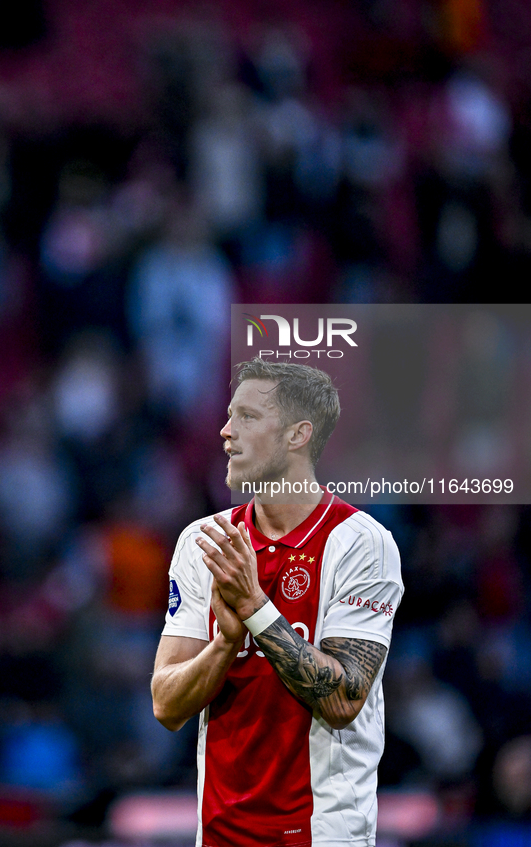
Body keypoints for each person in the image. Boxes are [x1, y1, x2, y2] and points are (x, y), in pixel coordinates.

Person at [151, 358, 404, 847]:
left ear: (297, 435)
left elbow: (343, 699)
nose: (225, 431)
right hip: (219, 835)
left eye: (247, 417)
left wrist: (255, 607)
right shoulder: (204, 542)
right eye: (228, 416)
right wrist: (226, 642)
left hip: (323, 834)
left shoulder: (361, 544)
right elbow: (166, 704)